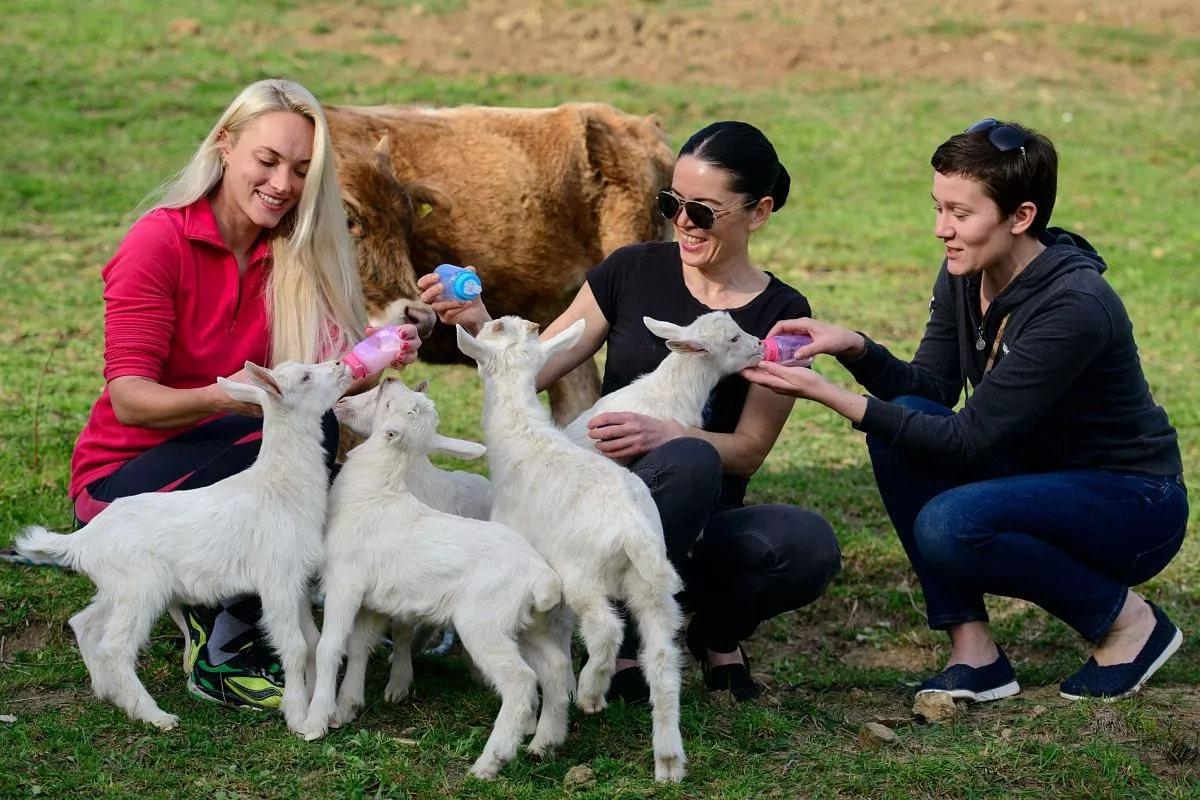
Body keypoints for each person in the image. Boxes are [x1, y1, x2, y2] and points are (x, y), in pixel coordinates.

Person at [743, 118, 1188, 702]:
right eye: (938, 208)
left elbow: (964, 440)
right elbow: (930, 389)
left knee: (949, 524)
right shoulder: (966, 269)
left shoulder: (1075, 306)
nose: (941, 229)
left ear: (1020, 217)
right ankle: (975, 653)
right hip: (1039, 476)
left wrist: (830, 395)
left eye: (960, 213)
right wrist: (854, 347)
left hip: (1132, 504)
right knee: (902, 419)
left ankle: (1130, 625)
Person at [419, 121, 842, 703]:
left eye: (703, 211)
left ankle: (716, 631)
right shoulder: (631, 270)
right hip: (595, 518)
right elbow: (534, 368)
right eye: (672, 204)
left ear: (759, 211)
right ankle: (621, 639)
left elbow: (749, 449)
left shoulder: (782, 311)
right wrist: (480, 322)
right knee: (687, 460)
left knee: (806, 543)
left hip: (696, 520)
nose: (683, 222)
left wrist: (669, 433)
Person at [68, 79, 421, 712]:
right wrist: (224, 397)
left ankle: (296, 600)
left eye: (301, 170)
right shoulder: (159, 242)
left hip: (230, 462)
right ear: (225, 146)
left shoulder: (291, 252)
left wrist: (386, 348)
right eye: (267, 160)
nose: (283, 184)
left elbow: (324, 378)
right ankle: (225, 645)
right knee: (283, 436)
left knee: (307, 436)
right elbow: (129, 400)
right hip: (125, 491)